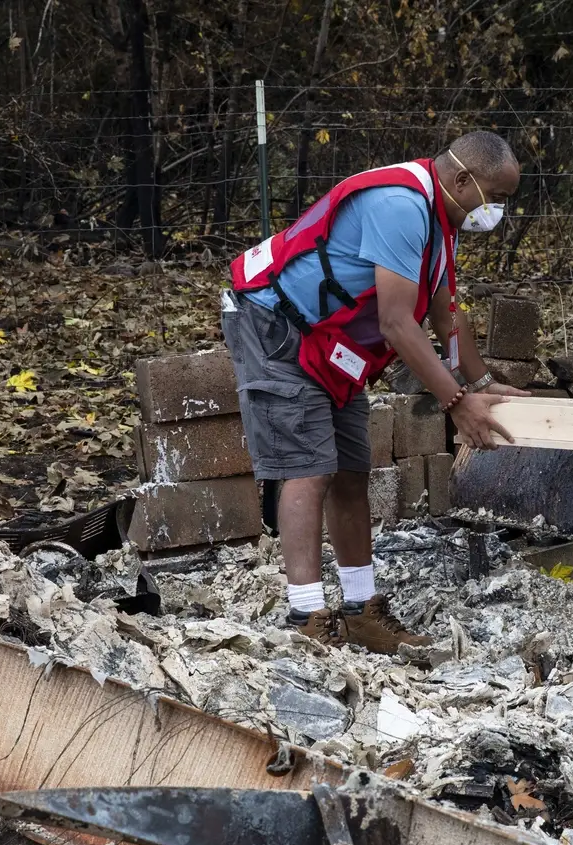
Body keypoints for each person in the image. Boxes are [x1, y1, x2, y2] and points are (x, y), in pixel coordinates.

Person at [223, 132, 526, 653]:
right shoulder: (401, 207)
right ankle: (306, 618)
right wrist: (457, 404)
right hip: (276, 324)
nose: (496, 212)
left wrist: (479, 381)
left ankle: (361, 608)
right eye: (495, 197)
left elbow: (443, 308)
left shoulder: (441, 216)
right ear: (461, 180)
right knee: (308, 468)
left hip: (330, 340)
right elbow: (396, 325)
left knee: (350, 470)